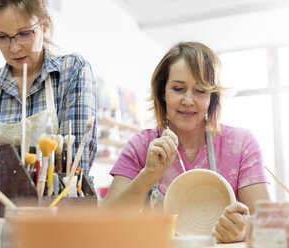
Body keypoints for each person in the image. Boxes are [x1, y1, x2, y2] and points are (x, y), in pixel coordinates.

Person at [0, 0, 97, 243]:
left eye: (24, 34)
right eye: (2, 37)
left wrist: (7, 156)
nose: (14, 47)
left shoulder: (72, 71)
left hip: (49, 214)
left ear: (44, 25)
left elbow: (77, 159)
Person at [101, 42, 270, 243]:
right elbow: (104, 225)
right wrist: (147, 175)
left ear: (212, 97)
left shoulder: (241, 144)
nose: (188, 100)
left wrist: (243, 231)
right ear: (163, 92)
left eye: (200, 91)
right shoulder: (142, 145)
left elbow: (268, 225)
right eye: (178, 88)